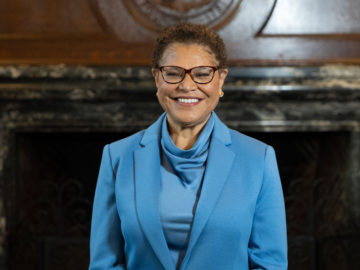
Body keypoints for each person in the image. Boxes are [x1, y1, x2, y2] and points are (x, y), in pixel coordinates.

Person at [89, 23, 287, 270]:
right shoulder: (116, 157)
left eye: (202, 73)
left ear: (221, 79)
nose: (187, 85)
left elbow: (270, 265)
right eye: (173, 73)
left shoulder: (259, 159)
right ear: (157, 78)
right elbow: (104, 264)